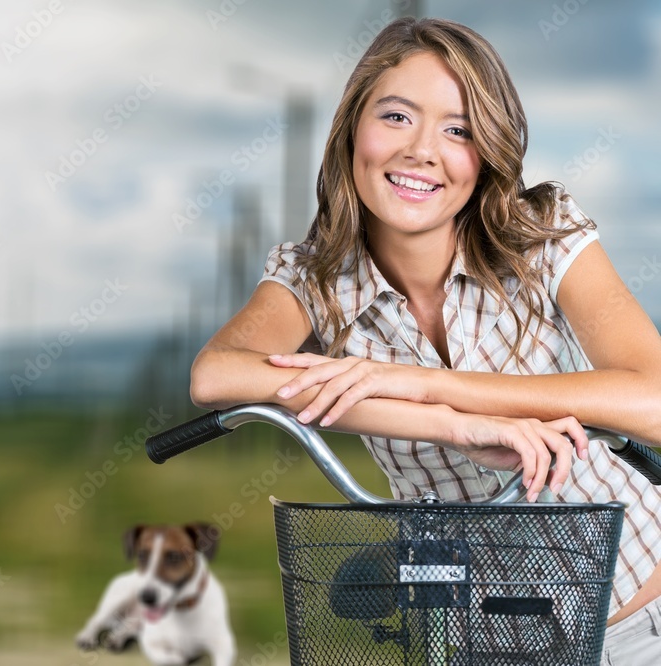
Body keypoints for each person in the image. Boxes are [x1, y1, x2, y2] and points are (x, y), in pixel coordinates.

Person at [188, 16, 661, 664]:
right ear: (354, 128)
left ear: (486, 149)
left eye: (458, 129)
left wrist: (425, 383)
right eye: (396, 117)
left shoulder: (541, 231)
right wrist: (449, 426)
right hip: (485, 646)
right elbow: (217, 376)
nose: (422, 151)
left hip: (644, 621)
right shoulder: (315, 275)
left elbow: (655, 400)